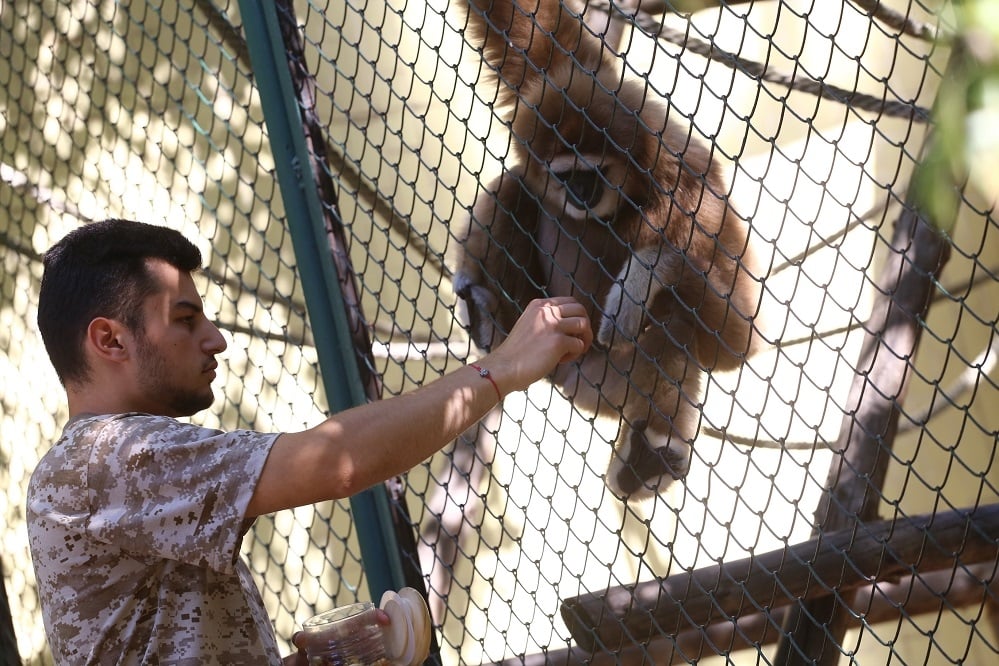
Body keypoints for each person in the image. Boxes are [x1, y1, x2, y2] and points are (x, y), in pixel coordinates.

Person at [27, 219, 593, 664]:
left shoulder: (107, 466)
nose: (216, 339)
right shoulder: (105, 457)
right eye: (185, 319)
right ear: (110, 339)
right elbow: (336, 462)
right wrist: (505, 367)